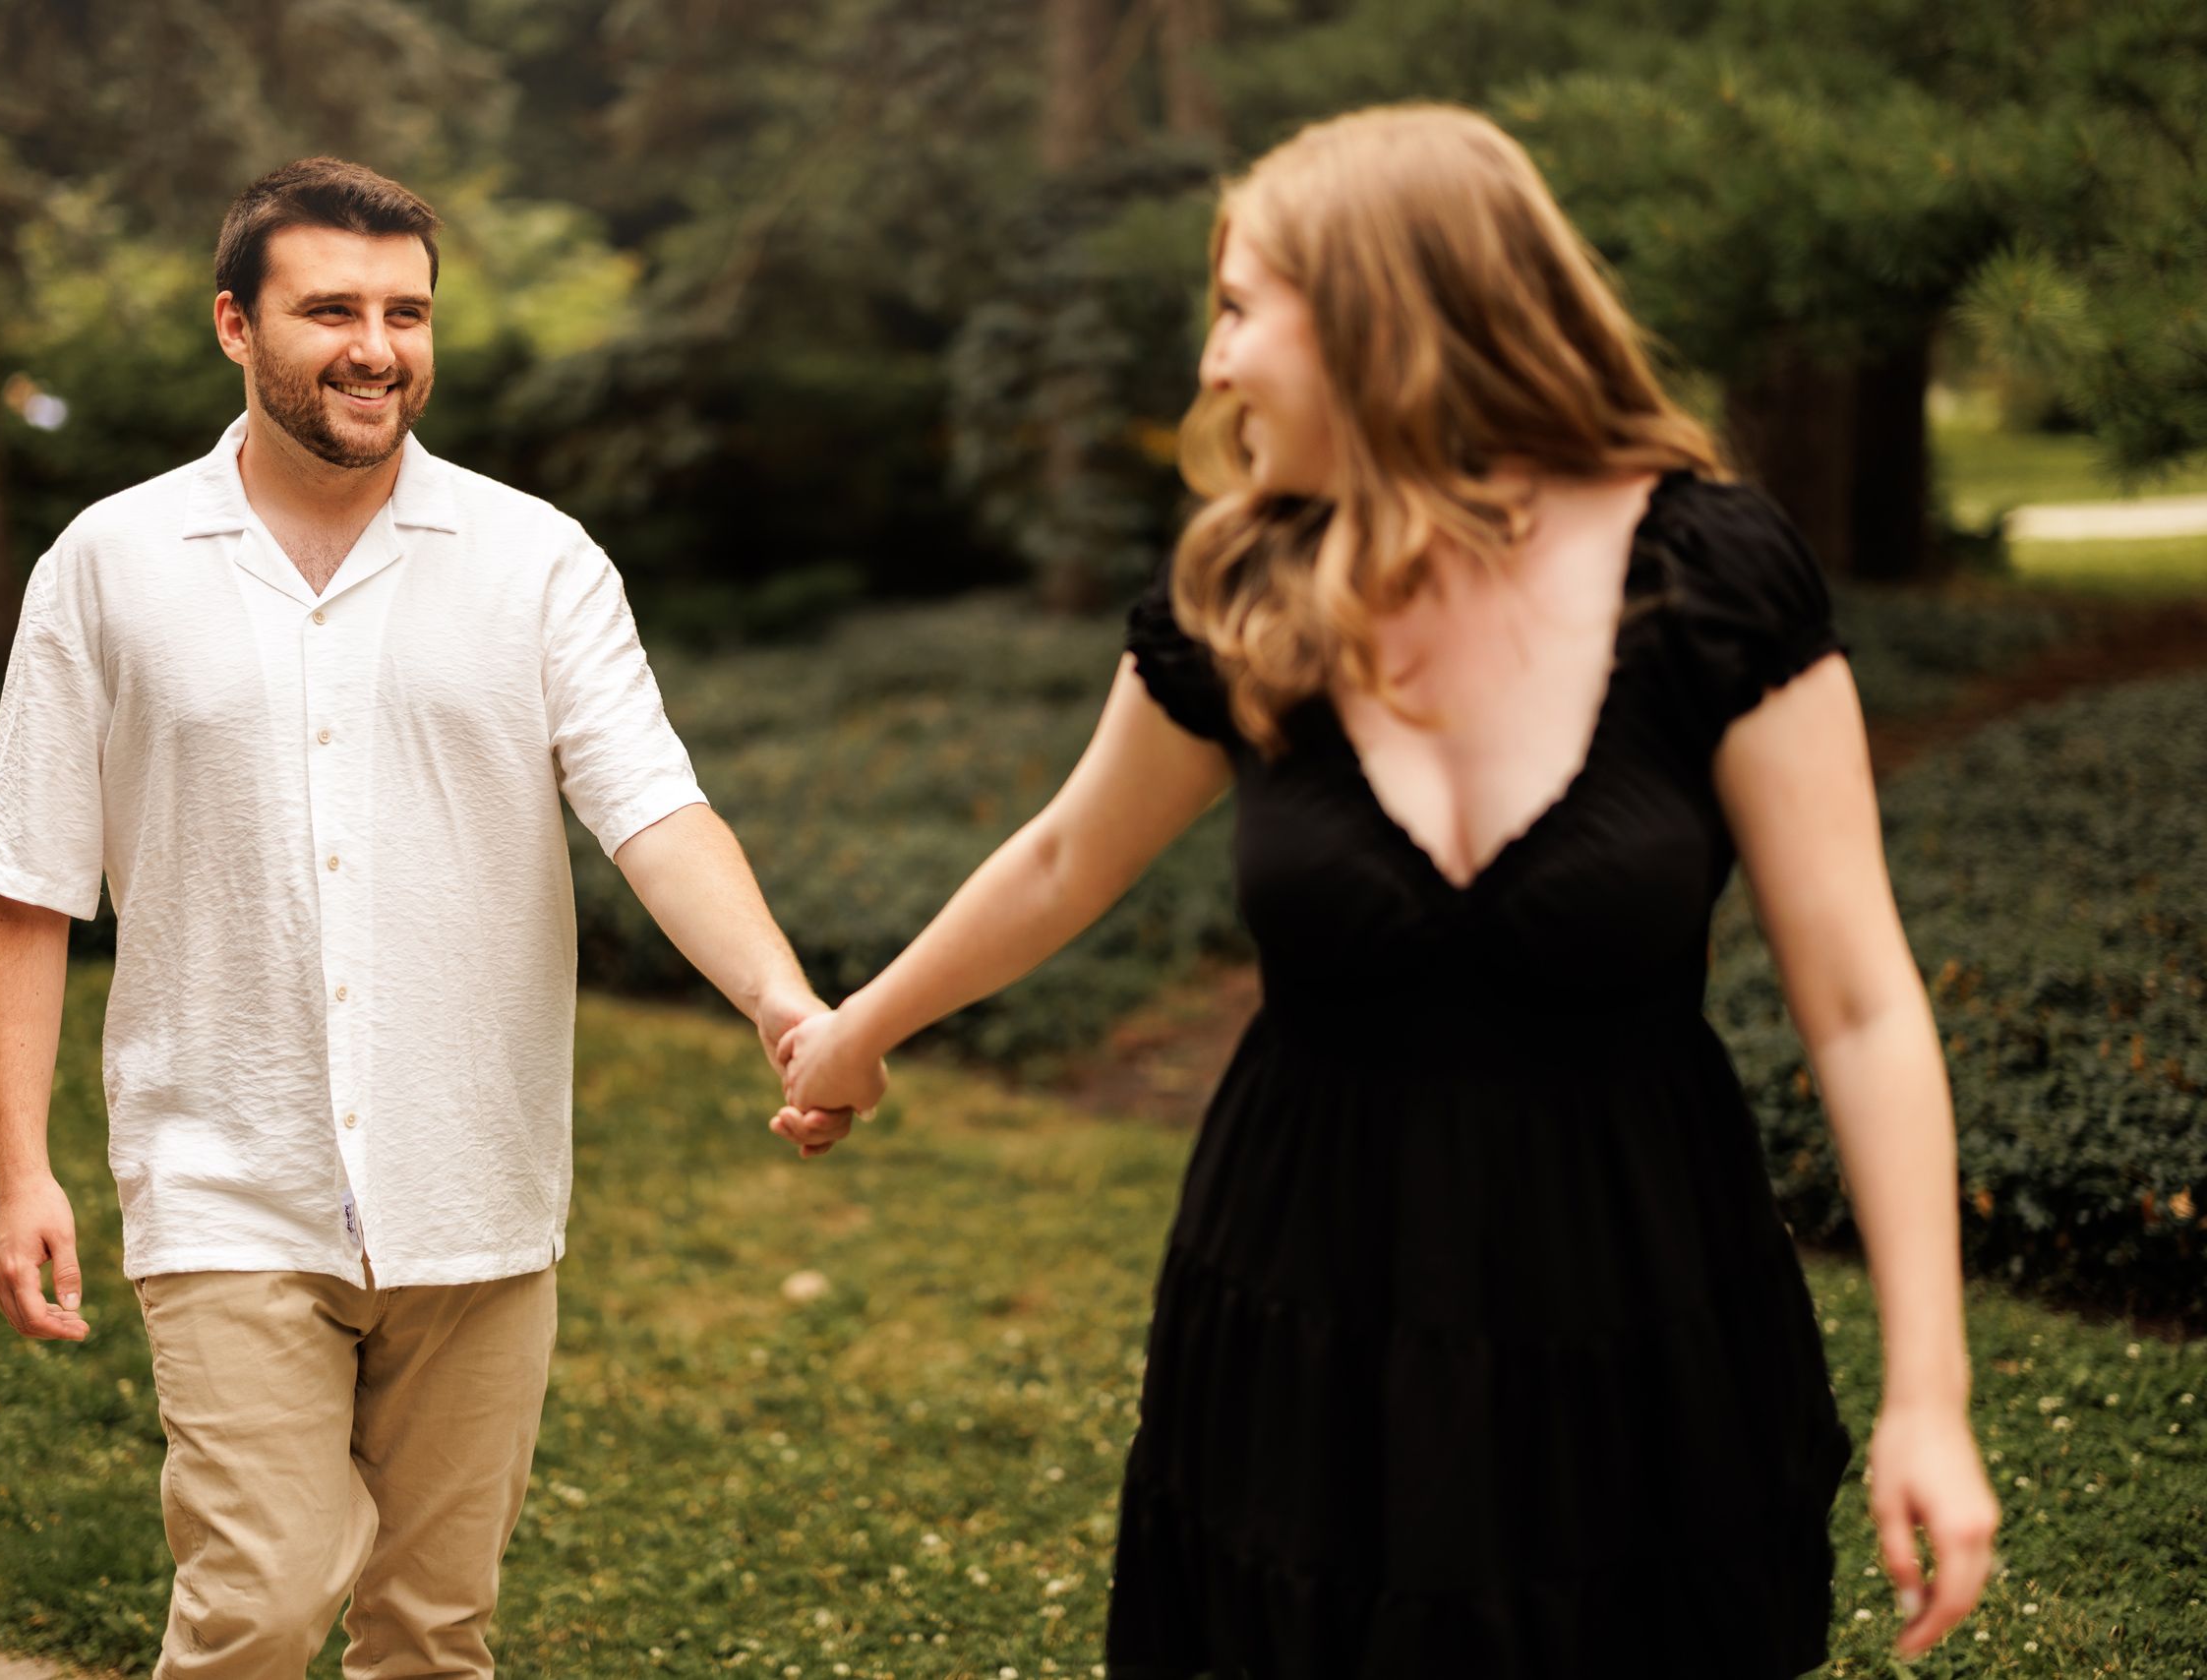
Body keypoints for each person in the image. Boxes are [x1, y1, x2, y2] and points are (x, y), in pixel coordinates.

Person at [772, 105, 1999, 1677]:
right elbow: (1068, 855)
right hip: (1311, 1290)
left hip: (1629, 1283)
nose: (1209, 367)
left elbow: (1860, 1003)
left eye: (1235, 309)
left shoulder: (1714, 576)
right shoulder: (1243, 588)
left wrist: (1930, 1397)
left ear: (1378, 307)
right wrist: (859, 1032)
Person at [0, 157, 851, 1680]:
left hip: (479, 1185)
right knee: (260, 1599)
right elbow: (31, 888)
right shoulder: (105, 567)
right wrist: (21, 1171)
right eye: (331, 310)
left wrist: (784, 1001)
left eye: (406, 312)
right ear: (236, 326)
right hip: (226, 1173)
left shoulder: (535, 560)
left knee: (437, 1634)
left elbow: (653, 809)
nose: (377, 346)